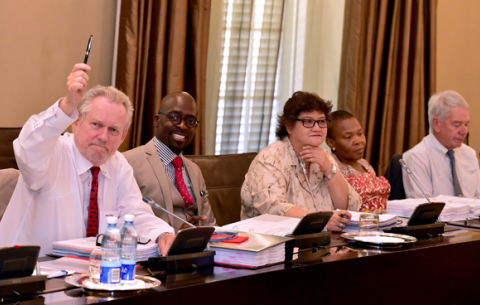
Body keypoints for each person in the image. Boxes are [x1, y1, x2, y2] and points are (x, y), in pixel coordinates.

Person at [0, 63, 175, 256]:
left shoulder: (118, 165)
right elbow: (28, 147)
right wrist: (66, 106)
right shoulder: (51, 153)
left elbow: (134, 214)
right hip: (29, 274)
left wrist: (162, 234)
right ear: (76, 122)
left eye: (113, 130)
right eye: (96, 124)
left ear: (123, 136)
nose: (103, 136)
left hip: (90, 274)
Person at [241, 91, 361, 232]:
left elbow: (348, 206)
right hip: (273, 245)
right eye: (308, 121)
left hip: (319, 244)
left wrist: (329, 169)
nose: (317, 128)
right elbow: (273, 208)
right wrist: (321, 221)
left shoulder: (324, 157)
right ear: (289, 126)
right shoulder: (270, 159)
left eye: (321, 121)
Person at [123, 92, 216, 231]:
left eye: (190, 121)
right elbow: (123, 222)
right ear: (157, 120)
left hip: (198, 248)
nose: (182, 126)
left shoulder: (195, 170)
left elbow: (210, 225)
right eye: (174, 117)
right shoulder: (128, 163)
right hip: (156, 249)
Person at [402, 90, 480, 198]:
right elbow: (424, 208)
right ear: (437, 124)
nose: (464, 132)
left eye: (466, 124)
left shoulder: (469, 154)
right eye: (457, 125)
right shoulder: (417, 157)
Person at [326, 110, 390, 212]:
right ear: (331, 142)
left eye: (360, 134)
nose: (358, 141)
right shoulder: (331, 167)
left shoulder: (364, 163)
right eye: (348, 137)